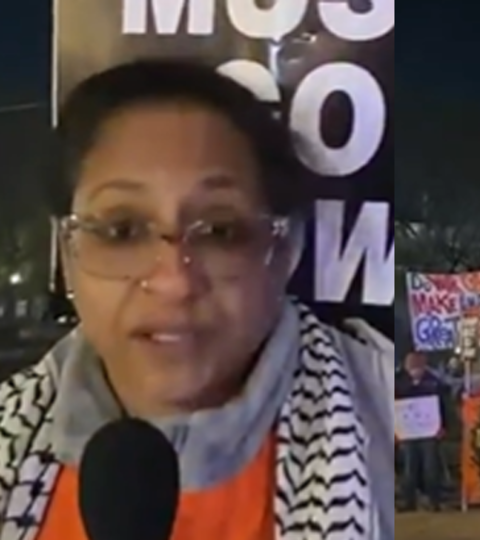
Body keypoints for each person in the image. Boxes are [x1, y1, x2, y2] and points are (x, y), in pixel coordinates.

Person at [0, 60, 393, 540]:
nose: (174, 283)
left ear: (286, 250)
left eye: (220, 232)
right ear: (67, 251)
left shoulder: (386, 418)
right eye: (122, 230)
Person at [395, 353, 447, 512]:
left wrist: (443, 426)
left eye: (417, 366)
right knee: (409, 468)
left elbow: (443, 406)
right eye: (411, 366)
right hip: (408, 433)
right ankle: (409, 501)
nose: (414, 369)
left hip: (429, 433)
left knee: (430, 467)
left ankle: (433, 501)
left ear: (424, 366)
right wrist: (396, 430)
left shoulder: (434, 382)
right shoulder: (398, 382)